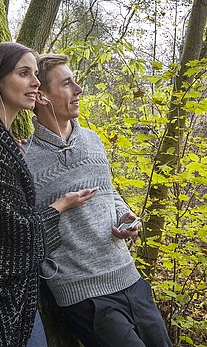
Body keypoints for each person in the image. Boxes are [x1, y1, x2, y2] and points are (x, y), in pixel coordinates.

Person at [0, 42, 97, 347]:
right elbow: (17, 235)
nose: (35, 82)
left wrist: (16, 160)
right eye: (23, 73)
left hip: (0, 302)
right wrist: (60, 206)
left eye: (36, 74)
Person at [23, 53, 173, 347]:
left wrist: (126, 217)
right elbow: (27, 232)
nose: (79, 90)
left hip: (129, 276)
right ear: (41, 96)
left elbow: (109, 193)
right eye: (67, 84)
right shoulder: (25, 160)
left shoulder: (93, 140)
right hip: (84, 293)